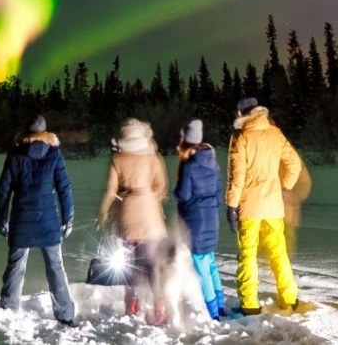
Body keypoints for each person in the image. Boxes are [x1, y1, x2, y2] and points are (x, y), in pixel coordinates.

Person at [0, 116, 76, 325]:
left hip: (21, 221)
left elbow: (4, 190)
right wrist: (68, 218)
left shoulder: (15, 154)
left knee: (15, 268)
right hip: (48, 223)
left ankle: (7, 313)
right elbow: (64, 188)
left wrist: (2, 218)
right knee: (56, 268)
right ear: (44, 132)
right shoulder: (54, 153)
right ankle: (65, 315)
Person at [226, 96, 303, 315]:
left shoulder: (241, 137)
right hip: (273, 206)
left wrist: (231, 205)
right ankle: (289, 299)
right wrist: (282, 187)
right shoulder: (275, 133)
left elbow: (236, 177)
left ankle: (250, 304)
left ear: (241, 113)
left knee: (248, 255)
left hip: (249, 207)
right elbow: (294, 164)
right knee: (278, 252)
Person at [97, 117, 168, 321]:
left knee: (130, 264)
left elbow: (111, 191)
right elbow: (161, 188)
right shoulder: (153, 157)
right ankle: (159, 306)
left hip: (127, 215)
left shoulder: (118, 159)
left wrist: (103, 212)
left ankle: (132, 305)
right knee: (153, 263)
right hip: (149, 215)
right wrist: (149, 197)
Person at [174, 118, 226, 320]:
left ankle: (213, 312)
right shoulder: (212, 161)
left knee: (201, 266)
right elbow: (219, 190)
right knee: (211, 262)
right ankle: (220, 305)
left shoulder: (189, 165)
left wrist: (176, 192)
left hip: (196, 221)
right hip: (211, 218)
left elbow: (184, 194)